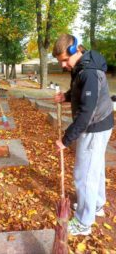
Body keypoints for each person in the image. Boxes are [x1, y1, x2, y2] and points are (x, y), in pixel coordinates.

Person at [52, 34, 114, 236]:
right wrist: (67, 97)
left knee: (84, 174)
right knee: (94, 168)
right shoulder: (81, 66)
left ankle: (83, 222)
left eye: (64, 60)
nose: (63, 65)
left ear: (75, 50)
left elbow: (87, 113)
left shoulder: (89, 72)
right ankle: (96, 204)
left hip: (94, 127)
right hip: (100, 124)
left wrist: (65, 139)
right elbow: (81, 92)